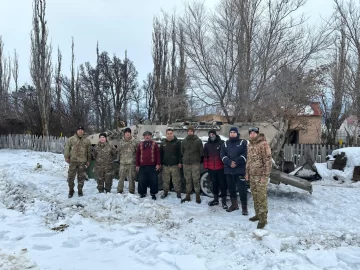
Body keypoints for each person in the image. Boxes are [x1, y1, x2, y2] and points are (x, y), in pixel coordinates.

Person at [245, 127, 272, 229]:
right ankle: (258, 215)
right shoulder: (250, 145)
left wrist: (265, 176)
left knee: (261, 197)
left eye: (254, 133)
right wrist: (247, 173)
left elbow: (268, 161)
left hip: (261, 176)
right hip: (252, 175)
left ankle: (263, 219)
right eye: (250, 133)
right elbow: (248, 160)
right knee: (255, 196)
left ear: (257, 133)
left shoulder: (263, 144)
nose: (252, 134)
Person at [220, 127, 248, 214]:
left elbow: (245, 154)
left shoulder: (242, 142)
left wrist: (236, 161)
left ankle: (244, 208)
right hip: (229, 170)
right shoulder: (225, 144)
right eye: (231, 132)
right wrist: (229, 162)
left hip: (240, 170)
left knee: (242, 189)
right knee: (231, 188)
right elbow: (222, 154)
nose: (232, 134)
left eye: (234, 132)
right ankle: (234, 205)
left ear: (237, 133)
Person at [64, 126, 91, 198]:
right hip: (73, 161)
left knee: (81, 177)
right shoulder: (71, 139)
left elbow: (89, 152)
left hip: (82, 162)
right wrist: (66, 157)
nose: (80, 131)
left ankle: (80, 190)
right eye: (79, 130)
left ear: (83, 131)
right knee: (70, 177)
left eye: (82, 130)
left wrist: (88, 160)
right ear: (76, 131)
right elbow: (67, 148)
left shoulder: (87, 141)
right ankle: (71, 190)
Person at [204, 129, 227, 209]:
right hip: (211, 168)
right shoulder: (207, 145)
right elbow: (206, 157)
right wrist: (206, 166)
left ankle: (224, 201)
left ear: (215, 134)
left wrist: (225, 165)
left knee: (223, 184)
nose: (211, 135)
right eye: (210, 134)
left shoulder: (221, 143)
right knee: (214, 184)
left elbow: (225, 154)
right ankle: (216, 199)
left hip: (220, 168)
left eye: (213, 134)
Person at [181, 126, 204, 204]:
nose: (190, 132)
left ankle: (198, 196)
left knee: (196, 180)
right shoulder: (184, 141)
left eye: (191, 131)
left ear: (193, 132)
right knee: (187, 180)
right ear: (187, 132)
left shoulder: (198, 141)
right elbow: (182, 151)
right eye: (188, 131)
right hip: (186, 163)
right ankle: (188, 195)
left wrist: (196, 159)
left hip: (195, 163)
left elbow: (201, 152)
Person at [136, 131, 161, 199]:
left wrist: (158, 164)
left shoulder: (154, 144)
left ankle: (153, 193)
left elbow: (158, 155)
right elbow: (137, 155)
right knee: (142, 180)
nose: (147, 137)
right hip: (142, 165)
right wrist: (137, 165)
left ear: (150, 136)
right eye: (146, 135)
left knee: (153, 180)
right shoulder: (140, 144)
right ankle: (142, 193)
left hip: (152, 165)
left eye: (148, 135)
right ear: (144, 137)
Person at [160, 127, 182, 199]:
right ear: (166, 134)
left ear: (173, 134)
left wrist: (180, 162)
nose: (169, 135)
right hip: (165, 165)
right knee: (165, 180)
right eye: (168, 134)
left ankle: (178, 192)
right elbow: (161, 154)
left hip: (174, 165)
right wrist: (160, 163)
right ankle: (165, 192)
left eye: (171, 134)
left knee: (176, 180)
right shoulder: (163, 143)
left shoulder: (177, 142)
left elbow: (180, 153)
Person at [117, 127, 138, 194]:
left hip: (131, 163)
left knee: (131, 178)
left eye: (128, 132)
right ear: (124, 134)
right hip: (123, 162)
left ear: (130, 133)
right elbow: (118, 151)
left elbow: (138, 152)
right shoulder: (121, 141)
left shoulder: (135, 141)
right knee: (121, 178)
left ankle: (131, 191)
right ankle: (119, 190)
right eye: (126, 133)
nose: (127, 134)